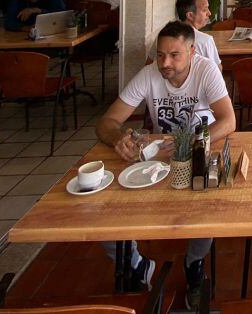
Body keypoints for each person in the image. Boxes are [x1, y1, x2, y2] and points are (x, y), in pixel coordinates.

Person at [96, 21, 236, 305]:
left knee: (207, 206)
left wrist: (194, 140)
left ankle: (194, 263)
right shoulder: (148, 75)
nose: (165, 63)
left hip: (200, 151)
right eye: (160, 55)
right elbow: (107, 122)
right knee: (100, 212)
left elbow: (229, 120)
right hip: (157, 160)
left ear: (192, 52)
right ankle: (136, 264)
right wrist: (117, 138)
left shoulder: (205, 69)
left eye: (174, 55)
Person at [174, 0, 221, 68]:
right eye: (204, 10)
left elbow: (149, 64)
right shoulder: (205, 41)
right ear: (190, 15)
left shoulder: (161, 36)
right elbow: (217, 70)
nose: (209, 13)